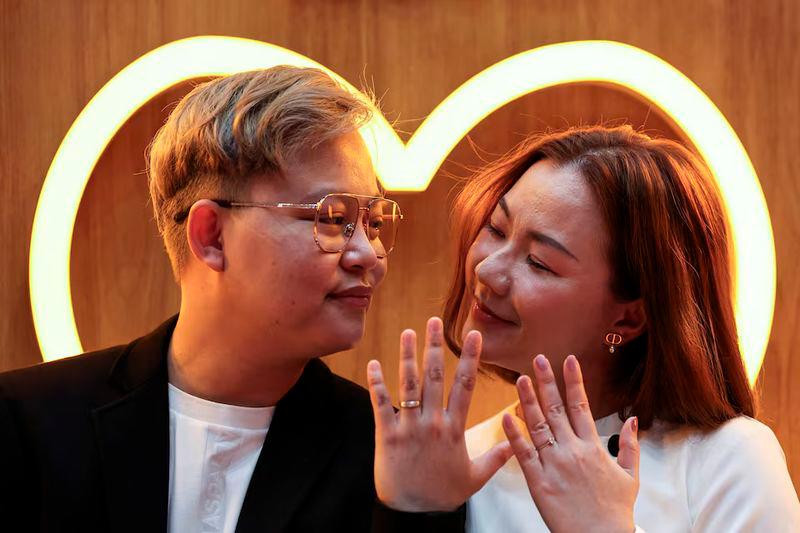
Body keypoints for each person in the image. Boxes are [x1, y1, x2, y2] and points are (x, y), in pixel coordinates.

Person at [0, 66, 459, 532]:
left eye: (374, 222)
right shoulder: (28, 422)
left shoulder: (390, 459)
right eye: (331, 217)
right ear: (212, 236)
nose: (369, 253)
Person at [367, 125, 800, 532]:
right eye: (496, 229)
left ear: (629, 317)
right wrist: (412, 513)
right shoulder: (466, 464)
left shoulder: (728, 460)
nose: (487, 269)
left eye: (539, 262)